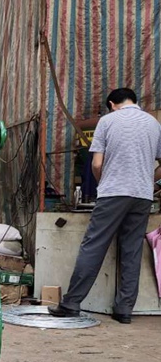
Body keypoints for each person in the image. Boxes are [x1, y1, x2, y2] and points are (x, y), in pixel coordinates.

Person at [49, 87, 161, 323]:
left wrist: (103, 183)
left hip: (114, 193)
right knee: (132, 251)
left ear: (111, 104)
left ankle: (71, 303)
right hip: (142, 196)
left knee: (94, 245)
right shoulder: (153, 124)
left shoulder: (107, 121)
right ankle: (124, 310)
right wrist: (149, 182)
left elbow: (97, 163)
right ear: (134, 101)